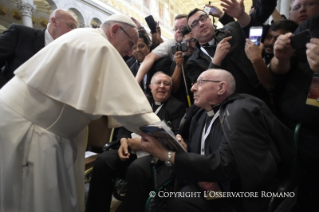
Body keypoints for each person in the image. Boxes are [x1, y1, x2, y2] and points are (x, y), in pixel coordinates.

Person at [0, 14, 161, 212]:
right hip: (30, 131)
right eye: (130, 42)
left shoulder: (84, 37)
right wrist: (165, 138)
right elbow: (134, 111)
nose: (130, 50)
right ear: (115, 30)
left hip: (29, 124)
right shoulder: (100, 46)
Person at [141, 69, 295, 212]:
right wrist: (184, 148)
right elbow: (201, 151)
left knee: (177, 203)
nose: (193, 88)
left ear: (221, 88)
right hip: (205, 182)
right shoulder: (200, 114)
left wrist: (166, 155)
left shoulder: (241, 112)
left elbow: (226, 165)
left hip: (234, 194)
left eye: (200, 82)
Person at [86, 72, 186, 212]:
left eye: (166, 83)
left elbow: (174, 137)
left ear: (171, 87)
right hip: (132, 150)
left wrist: (143, 144)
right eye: (158, 83)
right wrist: (123, 141)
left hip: (156, 157)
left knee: (137, 168)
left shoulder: (177, 107)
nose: (162, 86)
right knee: (104, 160)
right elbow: (125, 126)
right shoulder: (141, 102)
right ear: (150, 86)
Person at [269, 14, 319, 211]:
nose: (303, 9)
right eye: (297, 5)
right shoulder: (311, 25)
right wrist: (280, 58)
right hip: (288, 130)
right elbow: (279, 71)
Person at [0, 9, 77, 87]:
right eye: (70, 26)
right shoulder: (20, 33)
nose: (73, 32)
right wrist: (4, 92)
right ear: (54, 22)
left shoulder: (68, 52)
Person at [244, 20, 298, 90]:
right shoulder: (260, 51)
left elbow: (270, 85)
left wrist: (256, 59)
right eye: (268, 37)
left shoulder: (290, 59)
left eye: (277, 39)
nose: (270, 42)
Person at [135, 14, 187, 83]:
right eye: (176, 29)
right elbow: (150, 57)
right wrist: (136, 82)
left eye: (182, 28)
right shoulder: (171, 43)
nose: (178, 31)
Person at [170, 27, 196, 107]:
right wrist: (178, 65)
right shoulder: (179, 60)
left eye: (192, 40)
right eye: (185, 42)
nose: (188, 45)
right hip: (184, 105)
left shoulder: (203, 57)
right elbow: (173, 89)